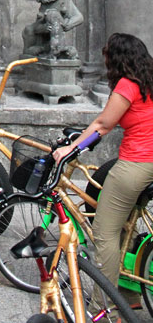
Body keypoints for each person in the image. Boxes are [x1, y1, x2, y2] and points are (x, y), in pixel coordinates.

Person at [53, 32, 153, 286]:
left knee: (104, 233)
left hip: (137, 163)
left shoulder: (127, 86)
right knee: (125, 225)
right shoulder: (148, 81)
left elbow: (103, 124)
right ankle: (128, 295)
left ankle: (105, 308)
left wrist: (70, 148)